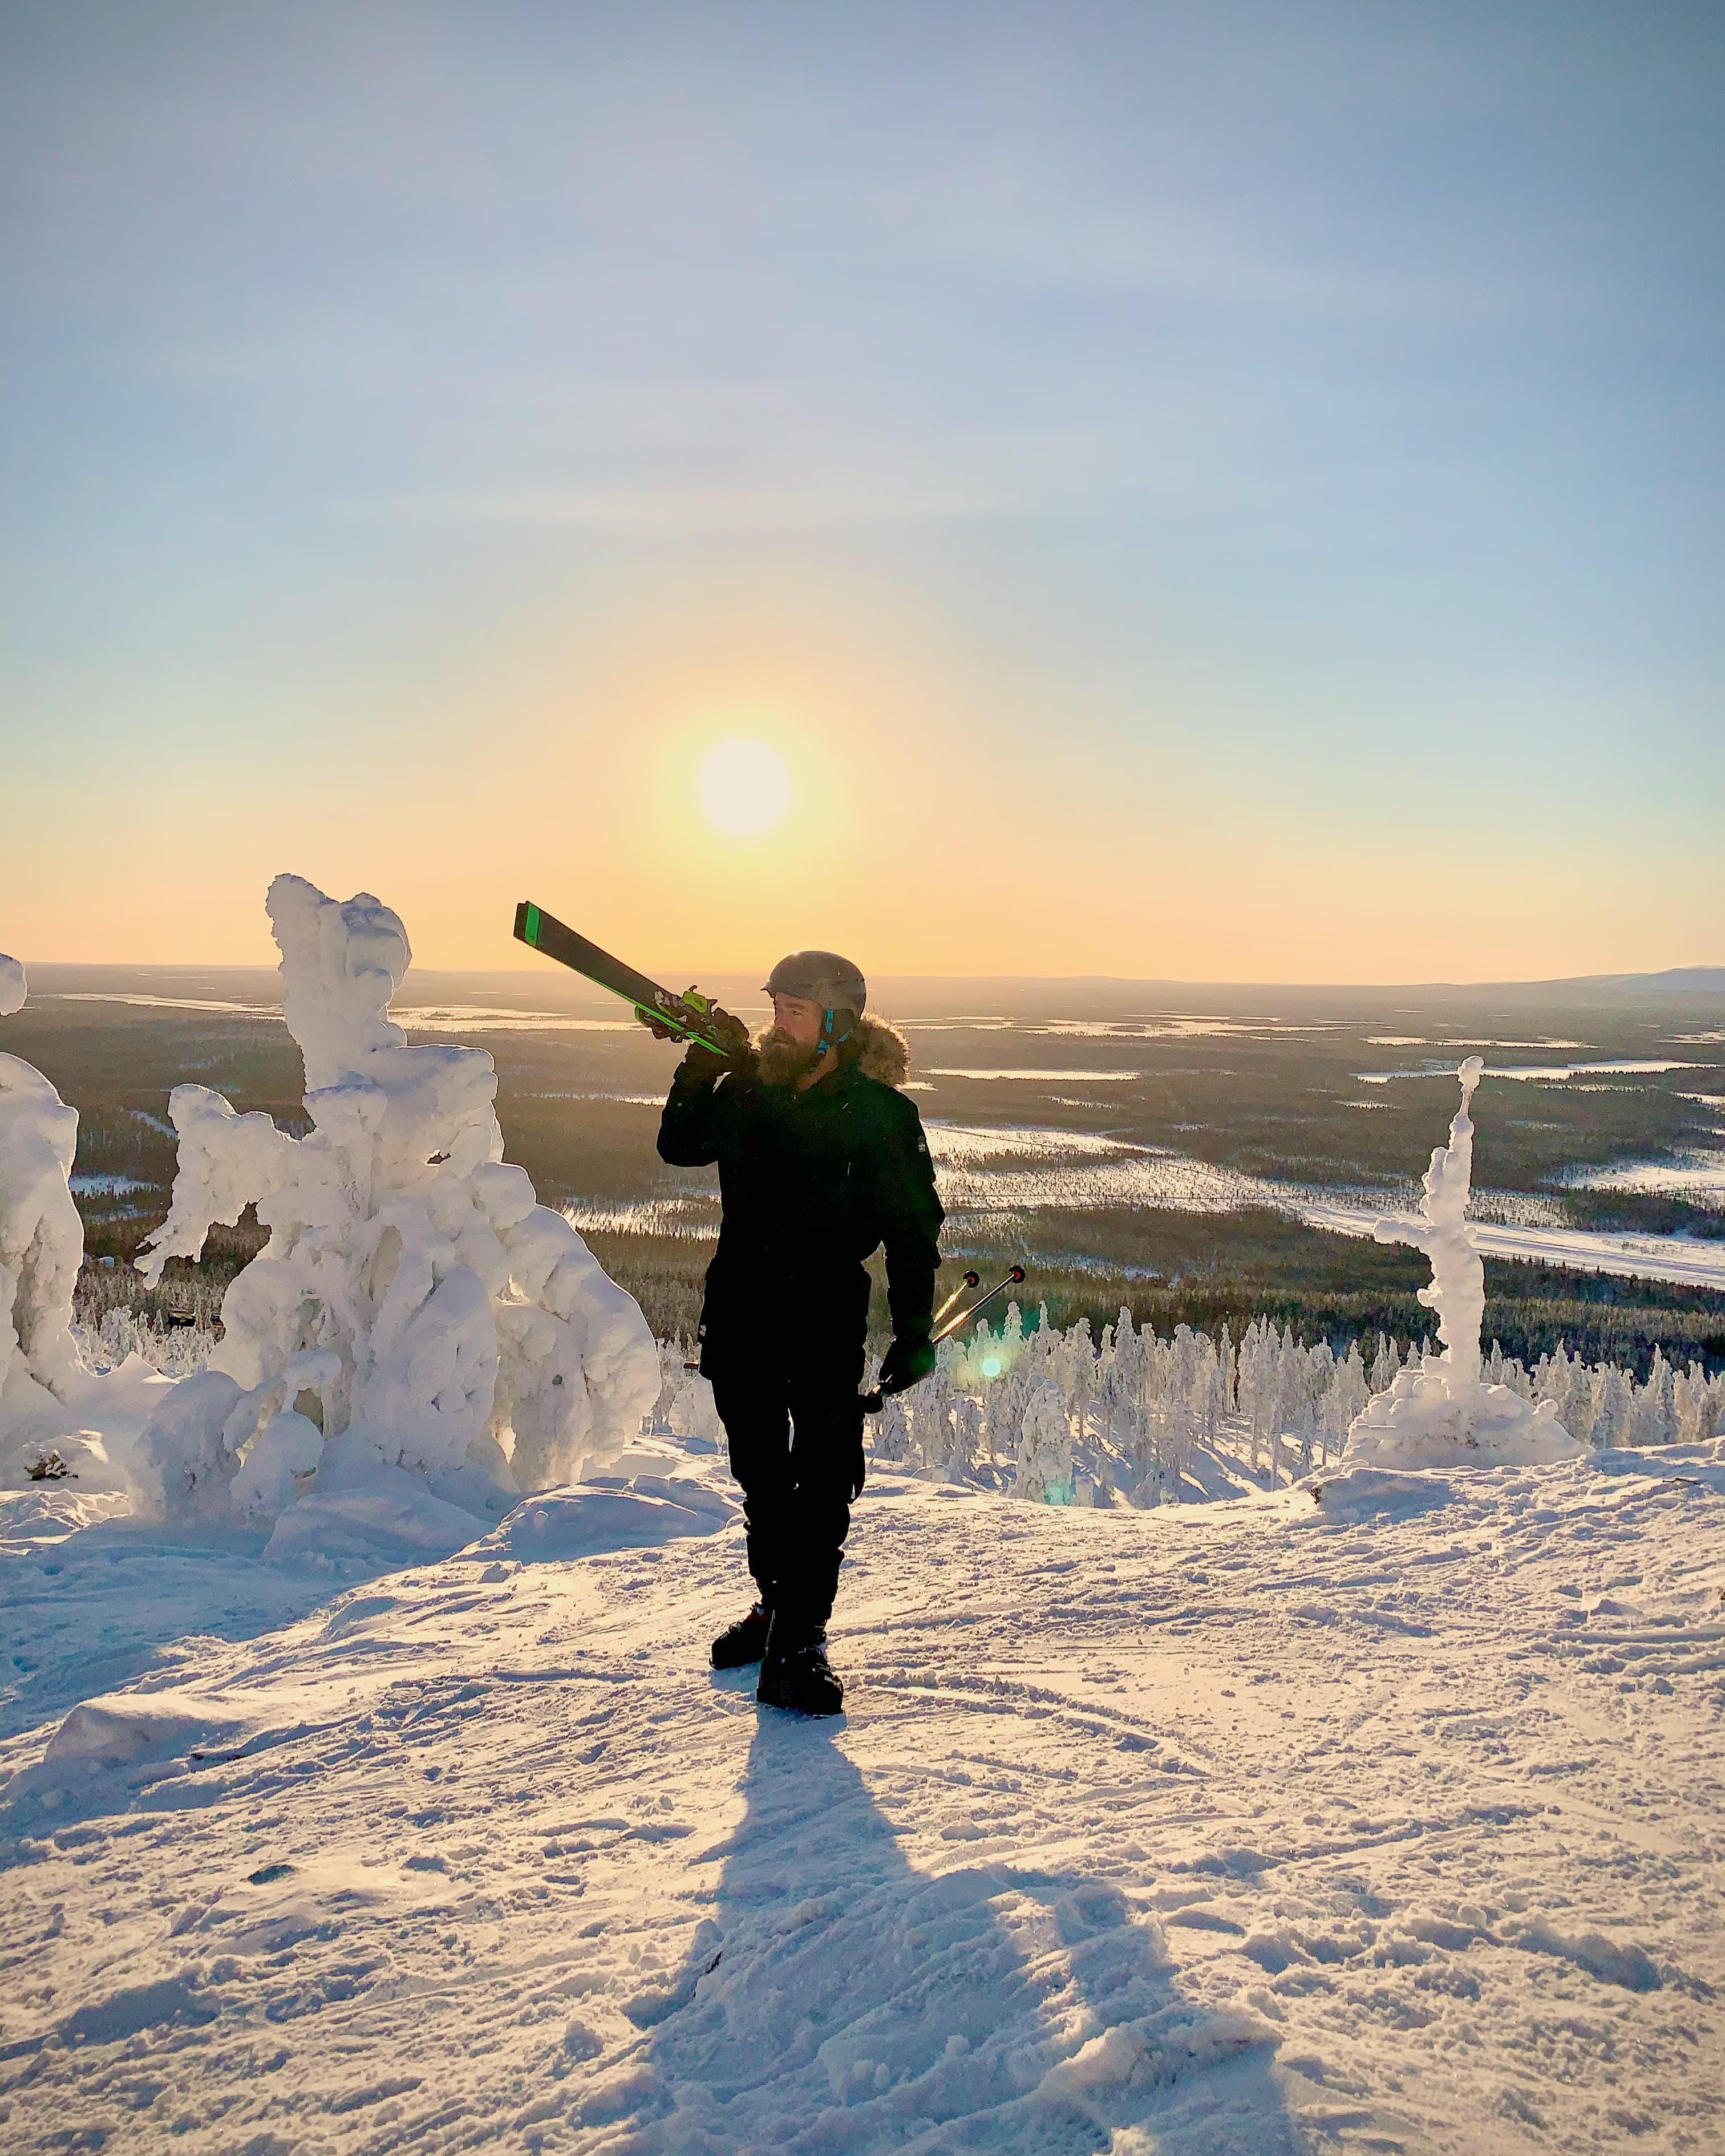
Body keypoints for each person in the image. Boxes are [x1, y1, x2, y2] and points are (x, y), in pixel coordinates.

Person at [649, 951, 943, 1715]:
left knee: (823, 1478)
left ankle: (799, 1642)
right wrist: (700, 1067)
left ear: (839, 1021)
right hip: (742, 1309)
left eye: (795, 1010)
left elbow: (914, 1230)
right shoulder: (751, 1091)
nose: (777, 1022)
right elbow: (679, 1145)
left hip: (822, 1315)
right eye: (774, 1006)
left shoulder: (881, 1113)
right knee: (762, 1479)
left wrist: (914, 1330)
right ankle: (775, 1608)